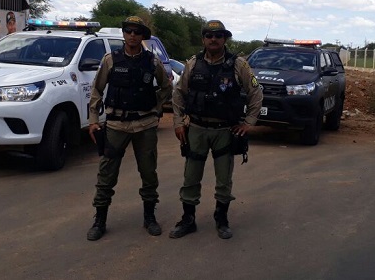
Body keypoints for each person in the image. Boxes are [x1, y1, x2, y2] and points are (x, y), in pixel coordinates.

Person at [169, 20, 263, 240]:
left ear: (225, 39)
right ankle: (188, 219)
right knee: (191, 177)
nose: (213, 39)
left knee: (223, 179)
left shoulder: (238, 65)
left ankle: (222, 219)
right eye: (209, 35)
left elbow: (256, 93)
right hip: (197, 128)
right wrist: (178, 121)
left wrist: (249, 122)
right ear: (203, 39)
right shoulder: (193, 63)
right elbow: (179, 93)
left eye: (218, 35)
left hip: (225, 130)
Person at [86, 16, 172, 241]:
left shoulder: (152, 62)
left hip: (145, 124)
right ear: (124, 34)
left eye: (137, 32)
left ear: (143, 36)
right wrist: (93, 120)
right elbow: (96, 90)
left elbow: (166, 86)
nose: (132, 35)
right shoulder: (110, 60)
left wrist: (155, 106)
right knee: (106, 173)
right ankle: (99, 220)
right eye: (129, 31)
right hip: (116, 124)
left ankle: (149, 217)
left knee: (148, 173)